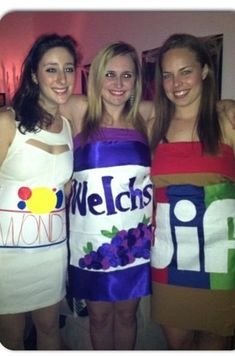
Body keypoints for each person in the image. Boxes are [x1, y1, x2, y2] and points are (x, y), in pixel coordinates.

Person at [61, 41, 154, 350]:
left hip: (134, 239)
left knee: (128, 316)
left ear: (136, 81)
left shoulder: (147, 115)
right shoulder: (78, 109)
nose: (118, 83)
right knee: (99, 317)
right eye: (110, 74)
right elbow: (34, 108)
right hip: (91, 239)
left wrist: (224, 105)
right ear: (97, 76)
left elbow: (191, 108)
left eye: (126, 75)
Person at [150, 33, 235, 350]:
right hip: (169, 261)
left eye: (185, 71)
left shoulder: (227, 120)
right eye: (168, 75)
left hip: (221, 262)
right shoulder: (154, 124)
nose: (176, 83)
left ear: (205, 71)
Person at [0, 33, 80, 350]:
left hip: (51, 251)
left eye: (69, 69)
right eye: (51, 69)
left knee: (50, 329)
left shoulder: (68, 124)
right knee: (11, 337)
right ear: (34, 74)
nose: (62, 79)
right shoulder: (8, 121)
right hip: (7, 254)